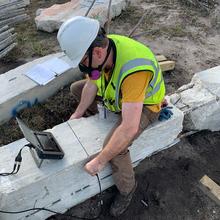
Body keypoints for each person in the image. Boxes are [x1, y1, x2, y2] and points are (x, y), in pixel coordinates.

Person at [57, 16, 165, 217]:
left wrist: (99, 161)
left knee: (116, 148)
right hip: (120, 96)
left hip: (146, 106)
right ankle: (95, 119)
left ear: (97, 53)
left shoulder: (134, 71)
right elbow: (92, 83)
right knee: (77, 89)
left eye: (81, 61)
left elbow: (129, 128)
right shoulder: (101, 49)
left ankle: (127, 190)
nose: (82, 66)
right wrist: (78, 113)